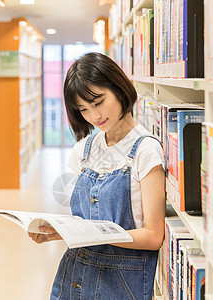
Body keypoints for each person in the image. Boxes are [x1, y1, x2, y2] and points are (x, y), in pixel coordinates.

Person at [29, 52, 166, 300]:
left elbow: (154, 236)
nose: (94, 116)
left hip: (121, 281)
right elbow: (81, 221)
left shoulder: (146, 150)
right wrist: (57, 231)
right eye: (83, 109)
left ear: (119, 87)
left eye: (98, 102)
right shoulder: (84, 149)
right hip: (75, 274)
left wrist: (90, 233)